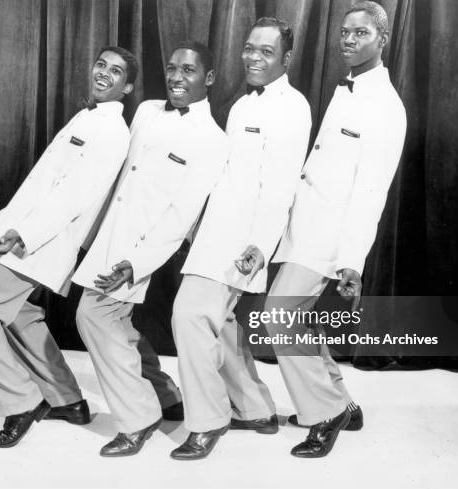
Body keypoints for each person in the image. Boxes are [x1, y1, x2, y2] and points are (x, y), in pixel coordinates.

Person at [0, 47, 146, 448]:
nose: (104, 73)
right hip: (27, 233)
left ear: (127, 87)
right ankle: (67, 400)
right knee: (19, 313)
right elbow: (47, 184)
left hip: (40, 242)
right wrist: (5, 218)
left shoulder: (110, 130)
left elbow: (73, 196)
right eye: (101, 64)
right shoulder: (88, 117)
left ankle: (20, 401)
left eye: (117, 72)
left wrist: (22, 234)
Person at [72, 41, 228, 457]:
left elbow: (182, 214)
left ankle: (138, 418)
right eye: (172, 68)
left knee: (94, 315)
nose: (177, 77)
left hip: (148, 246)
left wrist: (135, 262)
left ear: (208, 78)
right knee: (115, 322)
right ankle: (165, 395)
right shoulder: (145, 111)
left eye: (189, 71)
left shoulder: (212, 139)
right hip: (110, 233)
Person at [266, 1, 407, 458]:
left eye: (360, 34)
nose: (348, 40)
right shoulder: (347, 88)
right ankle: (343, 402)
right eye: (344, 32)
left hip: (330, 238)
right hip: (304, 227)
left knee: (280, 317)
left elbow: (371, 193)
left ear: (382, 40)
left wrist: (351, 259)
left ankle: (326, 413)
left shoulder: (386, 106)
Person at [169, 17, 312, 460]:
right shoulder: (244, 104)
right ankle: (255, 408)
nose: (253, 57)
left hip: (242, 242)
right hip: (214, 232)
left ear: (286, 59)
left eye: (266, 51)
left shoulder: (293, 107)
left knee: (190, 316)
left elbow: (282, 187)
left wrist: (258, 245)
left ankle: (209, 420)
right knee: (223, 325)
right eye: (250, 48)